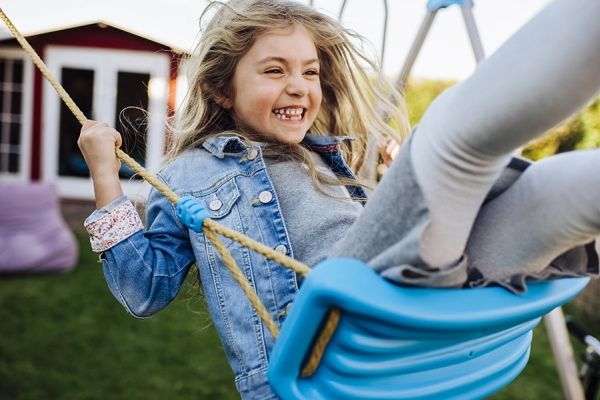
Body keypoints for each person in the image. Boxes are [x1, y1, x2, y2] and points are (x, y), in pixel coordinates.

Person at [78, 0, 600, 398]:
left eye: (310, 71)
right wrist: (105, 174)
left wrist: (389, 185)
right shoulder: (191, 172)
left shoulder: (324, 154)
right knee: (447, 138)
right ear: (222, 89)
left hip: (408, 330)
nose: (300, 86)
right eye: (274, 70)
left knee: (557, 191)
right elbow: (143, 290)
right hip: (341, 339)